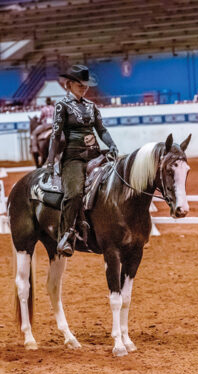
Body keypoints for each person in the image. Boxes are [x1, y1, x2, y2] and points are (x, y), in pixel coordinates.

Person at [45, 65, 119, 257]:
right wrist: (50, 162)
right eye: (80, 85)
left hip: (95, 154)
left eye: (86, 85)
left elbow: (101, 130)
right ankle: (66, 235)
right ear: (69, 85)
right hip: (73, 158)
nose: (84, 88)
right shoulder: (62, 106)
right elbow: (56, 134)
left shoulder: (92, 106)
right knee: (75, 193)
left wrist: (111, 144)